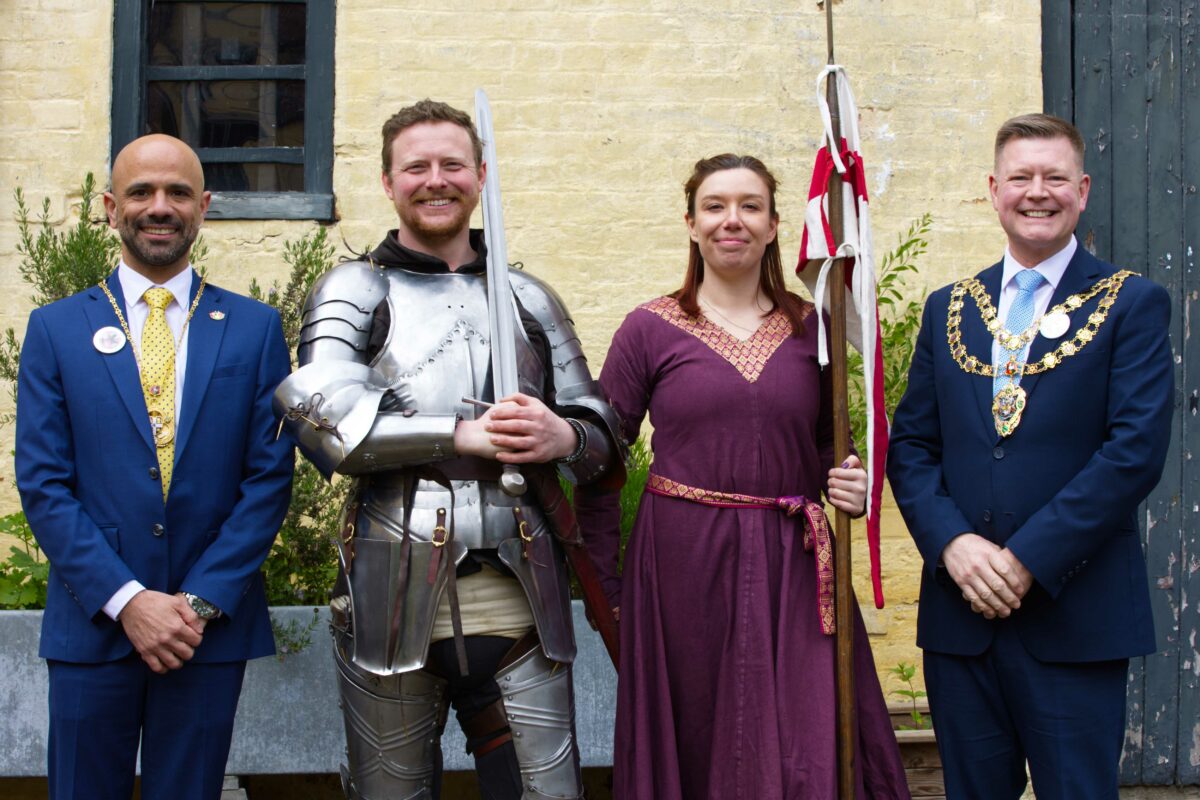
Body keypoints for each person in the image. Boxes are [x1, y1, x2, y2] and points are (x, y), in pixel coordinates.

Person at [274, 99, 622, 800]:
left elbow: (601, 433)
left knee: (545, 792)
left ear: (481, 174)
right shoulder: (355, 288)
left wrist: (563, 434)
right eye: (417, 166)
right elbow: (324, 426)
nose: (436, 180)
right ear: (388, 182)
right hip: (390, 585)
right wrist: (462, 435)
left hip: (522, 588)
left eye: (452, 164)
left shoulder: (528, 296)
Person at [573, 154, 910, 799]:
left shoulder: (813, 327)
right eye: (716, 206)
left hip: (794, 560)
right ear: (692, 225)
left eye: (750, 206)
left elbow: (821, 447)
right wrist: (606, 584)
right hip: (681, 563)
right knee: (698, 734)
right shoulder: (649, 328)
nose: (734, 220)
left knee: (808, 735)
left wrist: (848, 482)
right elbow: (599, 456)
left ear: (776, 225)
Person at [887, 113, 1174, 799]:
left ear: (1082, 188)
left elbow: (1133, 452)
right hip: (961, 620)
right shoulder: (948, 308)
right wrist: (953, 545)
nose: (1036, 192)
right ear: (994, 189)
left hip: (1075, 615)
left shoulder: (1131, 302)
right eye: (1020, 177)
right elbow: (914, 447)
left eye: (1053, 177)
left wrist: (1024, 561)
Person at [14, 134, 294, 800]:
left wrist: (194, 606)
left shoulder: (254, 329)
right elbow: (44, 484)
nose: (158, 206)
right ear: (111, 209)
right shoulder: (54, 330)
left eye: (176, 193)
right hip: (93, 626)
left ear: (204, 206)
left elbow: (269, 478)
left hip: (207, 630)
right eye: (141, 192)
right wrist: (128, 600)